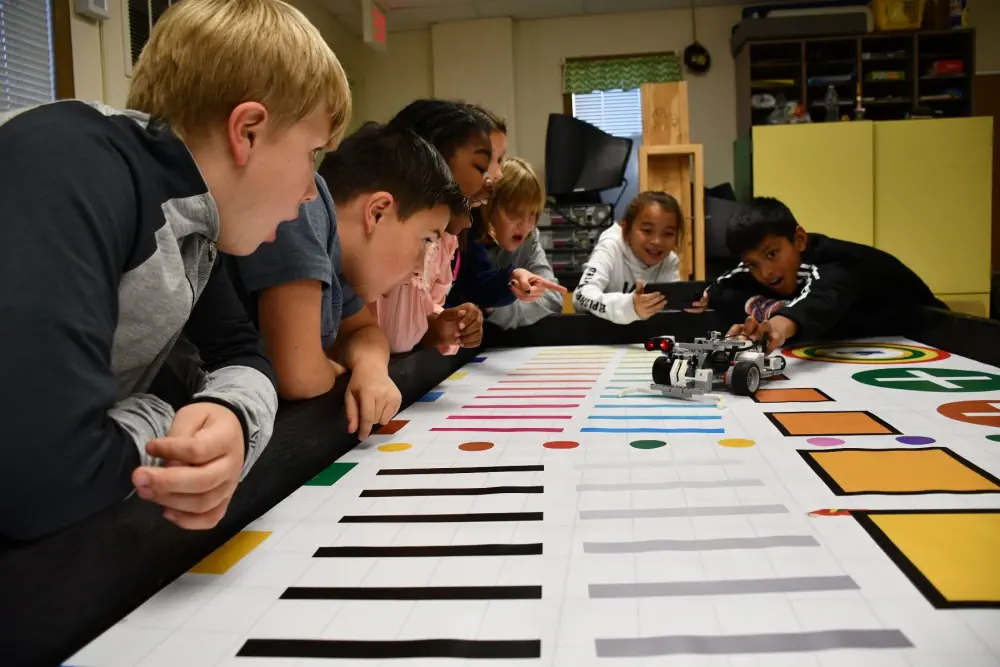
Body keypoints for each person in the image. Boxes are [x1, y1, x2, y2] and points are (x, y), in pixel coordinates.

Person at [0, 0, 350, 541]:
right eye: (313, 153)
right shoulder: (71, 164)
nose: (310, 191)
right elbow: (44, 479)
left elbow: (240, 352)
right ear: (249, 131)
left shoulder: (192, 221)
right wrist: (169, 415)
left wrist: (230, 418)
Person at [227, 122, 465, 439]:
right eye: (425, 240)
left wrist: (370, 368)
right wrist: (334, 368)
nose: (419, 267)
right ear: (378, 212)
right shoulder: (304, 210)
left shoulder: (336, 264)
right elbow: (299, 375)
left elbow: (365, 331)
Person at [699, 196, 946, 351]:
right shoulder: (760, 268)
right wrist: (760, 306)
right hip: (873, 338)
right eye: (753, 264)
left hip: (936, 332)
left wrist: (774, 327)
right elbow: (720, 287)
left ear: (799, 239)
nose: (766, 272)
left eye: (772, 254)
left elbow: (821, 299)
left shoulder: (838, 262)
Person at [373, 99, 496, 355]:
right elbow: (385, 332)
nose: (493, 181)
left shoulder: (445, 242)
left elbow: (409, 330)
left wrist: (441, 326)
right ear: (433, 160)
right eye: (481, 167)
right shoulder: (384, 230)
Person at [458, 157, 563, 330]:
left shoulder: (529, 237)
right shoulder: (464, 236)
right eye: (515, 212)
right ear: (488, 206)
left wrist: (492, 308)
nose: (525, 225)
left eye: (533, 214)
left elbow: (553, 299)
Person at [573, 191, 683, 324]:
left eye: (668, 233)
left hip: (641, 341)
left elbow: (673, 308)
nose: (657, 241)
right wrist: (629, 307)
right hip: (600, 338)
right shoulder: (611, 248)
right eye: (647, 231)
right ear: (625, 231)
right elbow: (581, 296)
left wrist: (690, 305)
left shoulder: (669, 260)